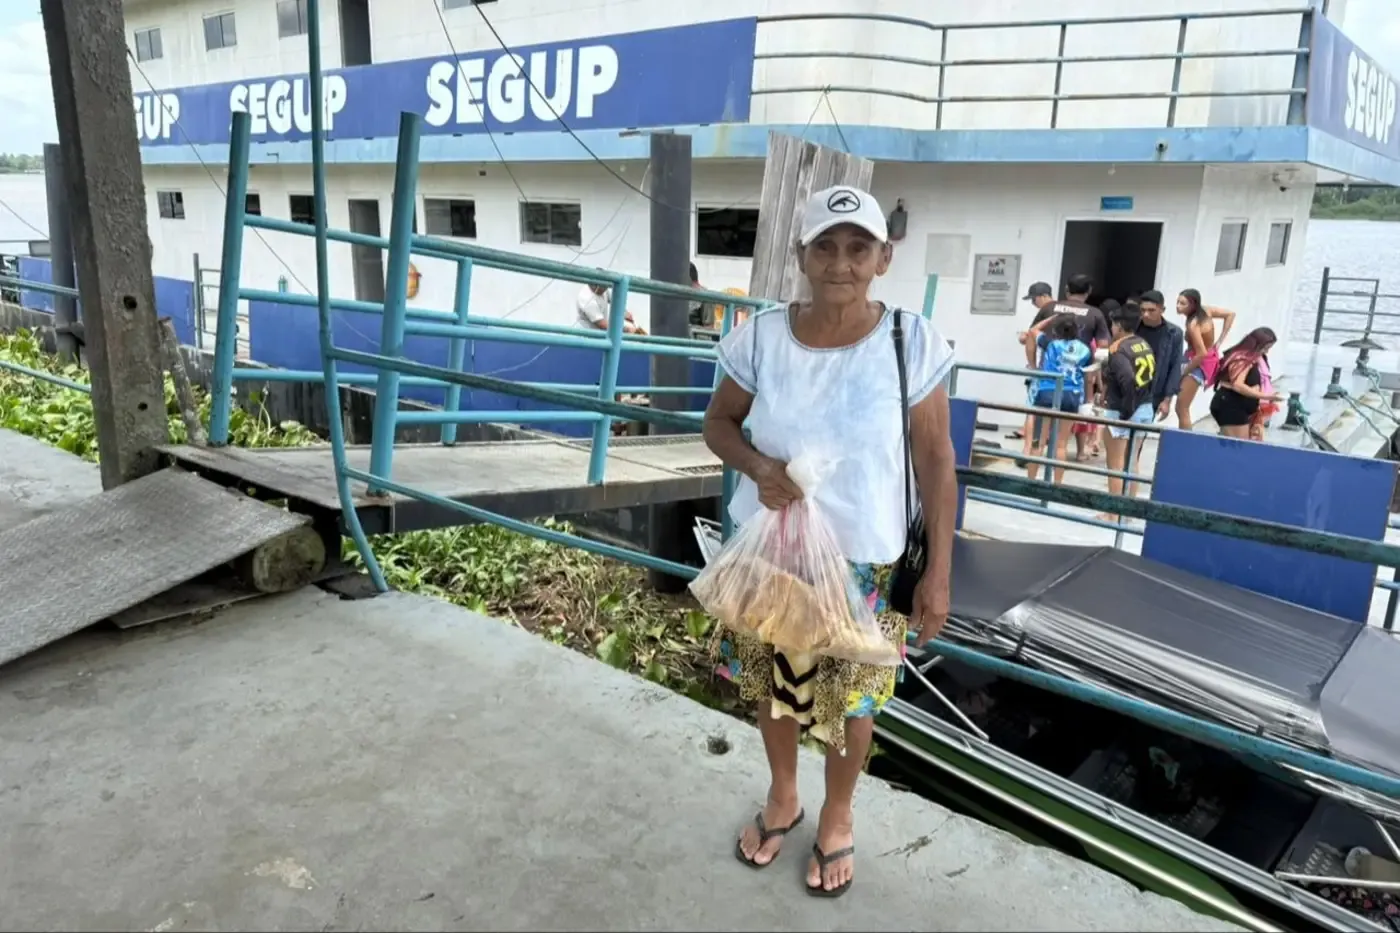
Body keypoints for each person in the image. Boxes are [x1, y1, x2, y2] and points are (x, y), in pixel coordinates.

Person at [702, 184, 957, 897]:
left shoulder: (912, 339)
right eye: (825, 246)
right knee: (771, 687)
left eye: (857, 248)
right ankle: (785, 795)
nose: (840, 263)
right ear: (801, 256)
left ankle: (837, 814)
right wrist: (760, 467)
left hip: (865, 561)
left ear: (882, 257)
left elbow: (937, 459)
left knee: (852, 704)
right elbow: (719, 423)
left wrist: (939, 570)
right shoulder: (761, 337)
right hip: (772, 552)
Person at [1023, 274, 1109, 461]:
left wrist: (1033, 366)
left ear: (1066, 290)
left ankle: (1028, 455)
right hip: (1074, 382)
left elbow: (1029, 335)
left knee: (1035, 417)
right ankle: (1056, 482)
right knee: (1061, 442)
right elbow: (1102, 348)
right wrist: (1093, 381)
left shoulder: (1050, 308)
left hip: (1047, 379)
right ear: (1089, 292)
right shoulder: (1095, 314)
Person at [1097, 303, 1157, 521]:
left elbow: (1128, 379)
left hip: (1123, 410)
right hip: (1145, 407)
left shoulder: (1118, 348)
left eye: (1112, 324)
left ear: (1119, 325)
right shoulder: (1143, 343)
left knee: (1115, 464)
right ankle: (1128, 512)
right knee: (1132, 461)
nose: (1111, 328)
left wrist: (1125, 411)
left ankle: (1113, 512)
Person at [1027, 314, 1091, 484]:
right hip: (1071, 395)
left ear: (1056, 330)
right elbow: (1088, 376)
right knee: (1061, 444)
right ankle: (1057, 485)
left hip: (1048, 392)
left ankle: (1030, 482)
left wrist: (1051, 317)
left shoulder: (1050, 344)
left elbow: (1033, 331)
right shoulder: (1085, 350)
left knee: (1038, 442)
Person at [1175, 288, 1235, 431]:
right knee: (1182, 407)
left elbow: (1201, 352)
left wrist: (1185, 370)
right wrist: (1220, 341)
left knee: (1182, 407)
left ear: (1193, 305)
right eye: (1177, 302)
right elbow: (1230, 314)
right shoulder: (1206, 311)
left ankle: (1185, 442)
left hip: (1198, 364)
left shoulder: (1194, 324)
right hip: (1206, 359)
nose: (1177, 306)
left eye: (1182, 303)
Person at [1209, 327, 1285, 439]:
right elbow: (1238, 385)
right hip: (1232, 406)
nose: (1267, 351)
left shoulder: (1256, 358)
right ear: (1257, 344)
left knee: (1242, 445)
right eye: (1265, 348)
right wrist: (1266, 396)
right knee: (1237, 448)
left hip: (1243, 407)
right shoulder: (1242, 358)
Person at [1013, 281, 1059, 457]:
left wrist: (1032, 365)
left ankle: (1028, 450)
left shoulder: (1046, 310)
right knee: (1053, 411)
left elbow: (1030, 335)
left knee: (1033, 408)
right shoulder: (1065, 310)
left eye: (1033, 300)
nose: (1033, 304)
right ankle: (1044, 450)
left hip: (1042, 367)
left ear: (1043, 296)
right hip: (1064, 370)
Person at [1135, 290, 1184, 423]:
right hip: (1128, 390)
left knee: (1139, 435)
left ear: (1162, 310)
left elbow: (1175, 367)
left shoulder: (1173, 333)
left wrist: (1167, 400)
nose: (1146, 314)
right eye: (1143, 310)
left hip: (1153, 393)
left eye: (1151, 310)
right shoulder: (1132, 328)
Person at [576, 281, 644, 333]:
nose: (605, 290)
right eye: (603, 288)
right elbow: (602, 325)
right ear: (596, 286)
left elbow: (615, 301)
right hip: (587, 335)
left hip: (599, 333)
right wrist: (627, 329)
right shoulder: (587, 299)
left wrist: (625, 312)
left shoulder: (603, 288)